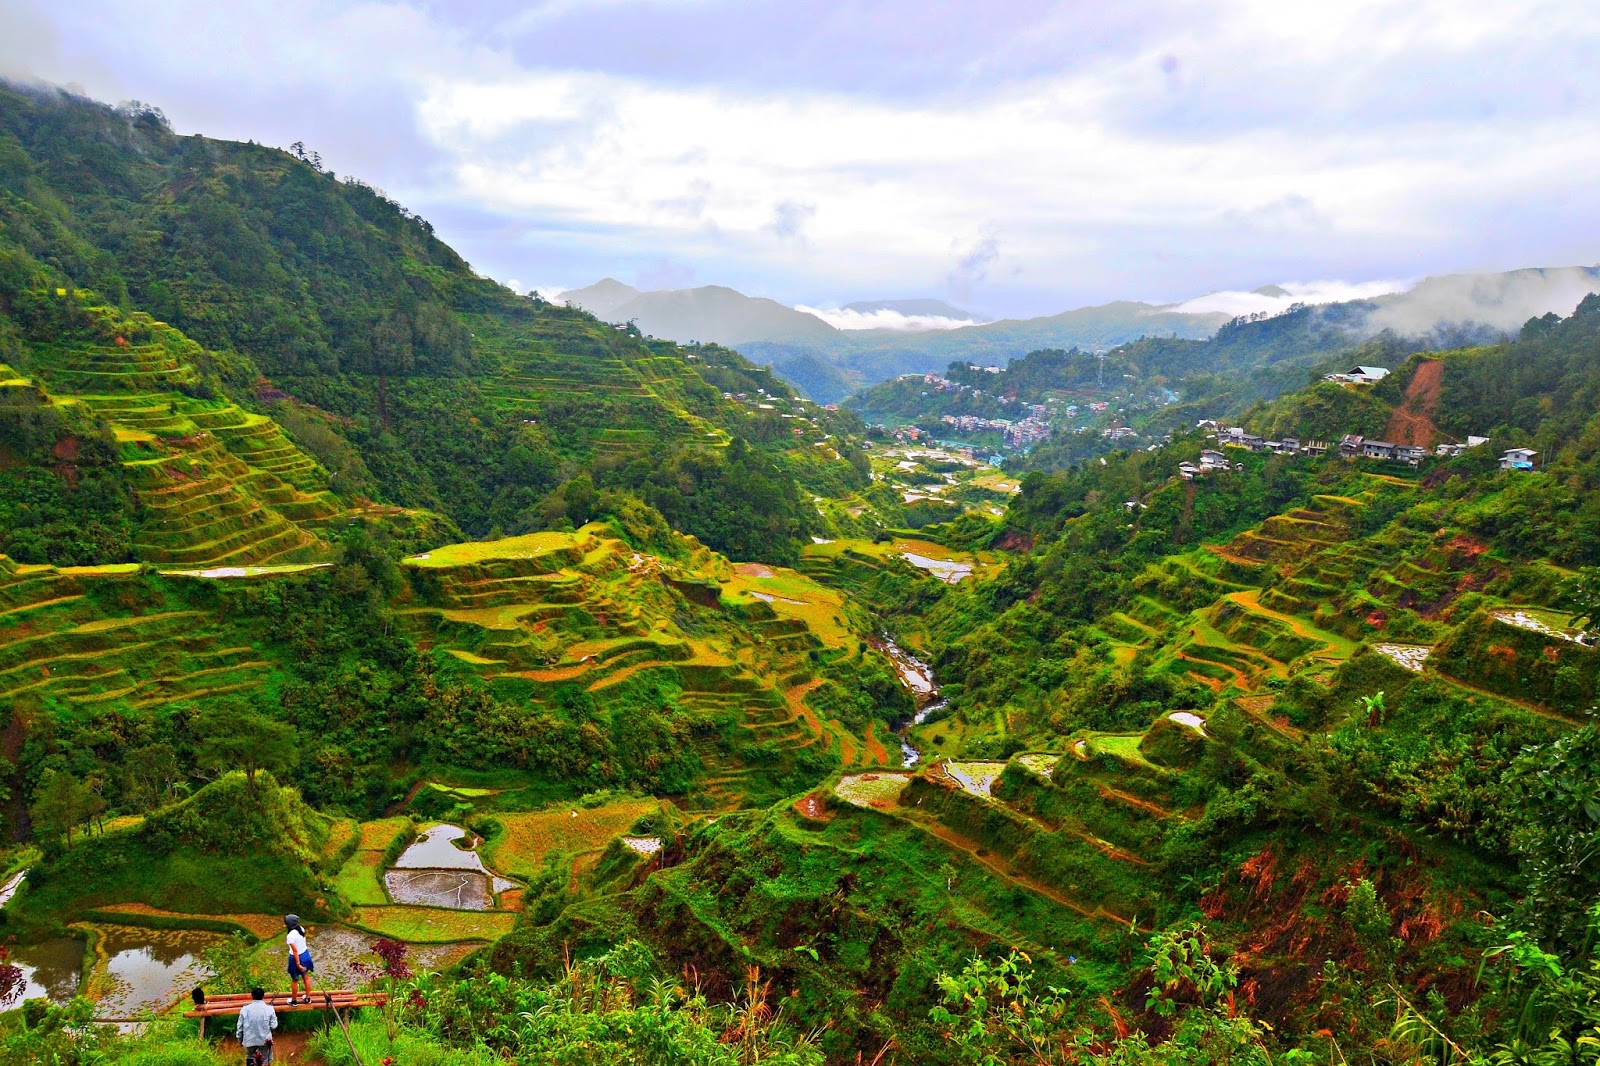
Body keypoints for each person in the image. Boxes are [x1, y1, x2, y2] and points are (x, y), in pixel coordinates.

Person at [237, 986, 277, 1065]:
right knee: (265, 1059)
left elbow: (240, 1027)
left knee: (250, 1057)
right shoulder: (269, 1009)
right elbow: (274, 1026)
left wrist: (240, 1040)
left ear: (252, 996)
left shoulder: (245, 1009)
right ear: (263, 996)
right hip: (265, 1040)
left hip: (249, 1039)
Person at [284, 914, 315, 1003]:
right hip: (305, 955)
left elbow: (295, 951)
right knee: (306, 977)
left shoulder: (290, 936)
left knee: (294, 980)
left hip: (296, 958)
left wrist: (298, 964)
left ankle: (294, 1001)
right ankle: (308, 998)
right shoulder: (301, 929)